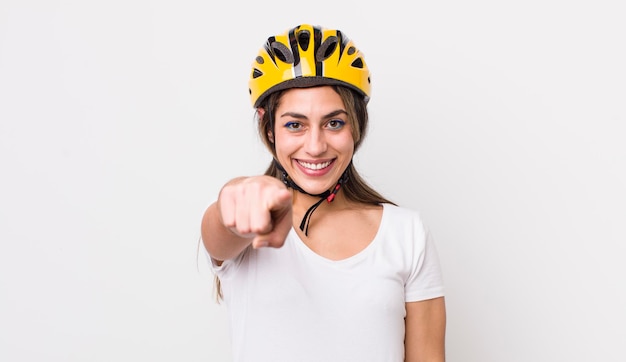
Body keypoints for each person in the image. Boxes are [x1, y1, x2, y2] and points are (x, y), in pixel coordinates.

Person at [201, 23, 446, 362]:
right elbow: (224, 219)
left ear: (356, 125)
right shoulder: (249, 222)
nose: (315, 147)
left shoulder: (406, 234)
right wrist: (244, 192)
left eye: (334, 123)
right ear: (268, 128)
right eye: (294, 124)